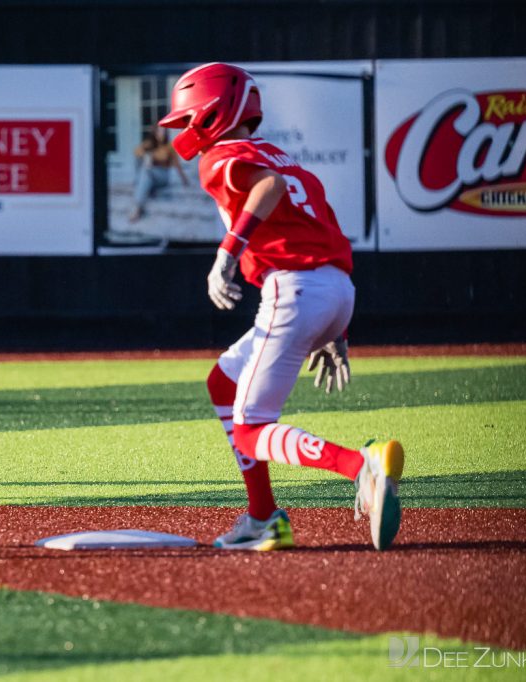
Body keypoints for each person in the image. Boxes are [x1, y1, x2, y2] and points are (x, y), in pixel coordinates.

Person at [158, 62, 405, 551]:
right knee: (223, 382)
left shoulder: (221, 155)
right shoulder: (283, 156)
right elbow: (321, 226)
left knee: (250, 431)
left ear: (211, 112)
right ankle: (262, 517)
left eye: (187, 118)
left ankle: (361, 466)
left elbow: (266, 188)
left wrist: (225, 256)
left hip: (294, 289)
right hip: (334, 288)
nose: (184, 130)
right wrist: (337, 327)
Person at [128, 126, 190, 222]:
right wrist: (147, 154)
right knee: (144, 168)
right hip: (150, 175)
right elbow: (136, 151)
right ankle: (138, 206)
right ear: (155, 133)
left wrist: (184, 180)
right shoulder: (150, 144)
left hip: (163, 176)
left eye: (163, 132)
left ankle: (137, 206)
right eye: (159, 131)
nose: (161, 134)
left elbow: (177, 165)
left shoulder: (169, 146)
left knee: (146, 171)